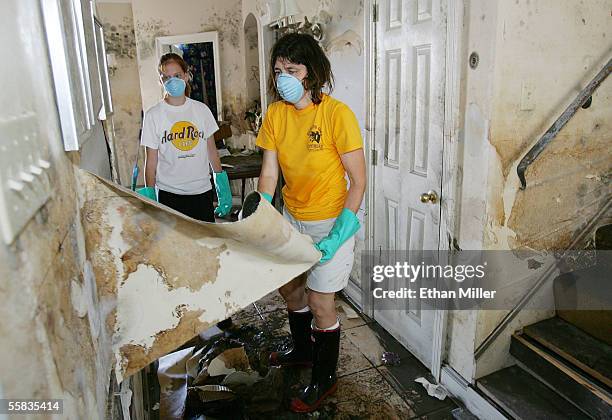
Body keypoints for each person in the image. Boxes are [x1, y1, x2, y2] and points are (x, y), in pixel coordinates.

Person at [256, 33, 366, 412]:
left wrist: (340, 233)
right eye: (278, 70)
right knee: (290, 289)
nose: (283, 76)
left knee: (321, 302)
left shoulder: (337, 114)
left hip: (331, 222)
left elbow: (359, 179)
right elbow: (269, 173)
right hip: (293, 218)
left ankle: (325, 378)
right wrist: (261, 212)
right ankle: (302, 352)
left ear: (312, 73)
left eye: (292, 69)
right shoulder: (275, 114)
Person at [139, 52, 232, 222]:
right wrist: (150, 194)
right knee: (175, 246)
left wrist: (222, 185)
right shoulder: (153, 115)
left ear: (187, 76)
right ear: (161, 81)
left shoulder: (201, 110)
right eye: (166, 77)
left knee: (205, 244)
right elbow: (151, 161)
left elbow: (211, 150)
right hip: (169, 194)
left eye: (177, 75)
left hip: (201, 191)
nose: (172, 81)